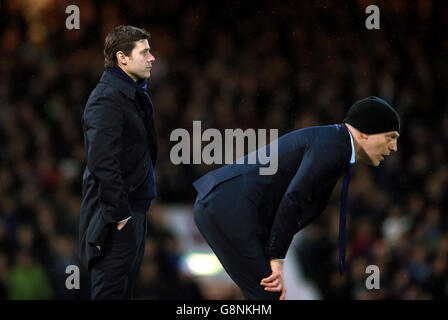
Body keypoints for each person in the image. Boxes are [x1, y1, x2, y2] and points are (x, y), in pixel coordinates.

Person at [193, 96, 400, 300]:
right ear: (365, 132)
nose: (394, 147)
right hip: (227, 209)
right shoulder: (335, 147)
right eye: (390, 137)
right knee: (268, 297)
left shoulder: (334, 141)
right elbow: (294, 198)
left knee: (266, 297)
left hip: (224, 206)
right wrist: (277, 256)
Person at [78, 25, 158, 299]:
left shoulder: (128, 95)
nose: (152, 58)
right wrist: (121, 217)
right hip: (115, 219)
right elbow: (102, 163)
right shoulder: (106, 98)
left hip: (132, 213)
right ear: (122, 58)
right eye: (145, 52)